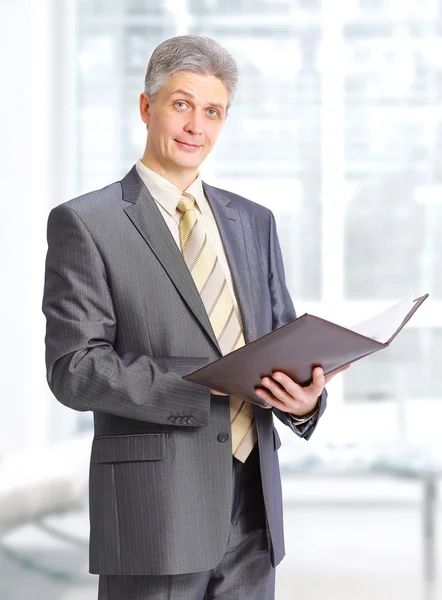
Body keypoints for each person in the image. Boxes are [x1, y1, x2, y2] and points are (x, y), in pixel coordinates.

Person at [42, 35, 346, 600]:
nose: (195, 126)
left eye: (212, 112)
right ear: (146, 106)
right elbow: (73, 368)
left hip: (254, 514)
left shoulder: (254, 222)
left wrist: (305, 402)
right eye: (181, 104)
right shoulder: (87, 223)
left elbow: (279, 340)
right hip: (156, 513)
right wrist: (206, 384)